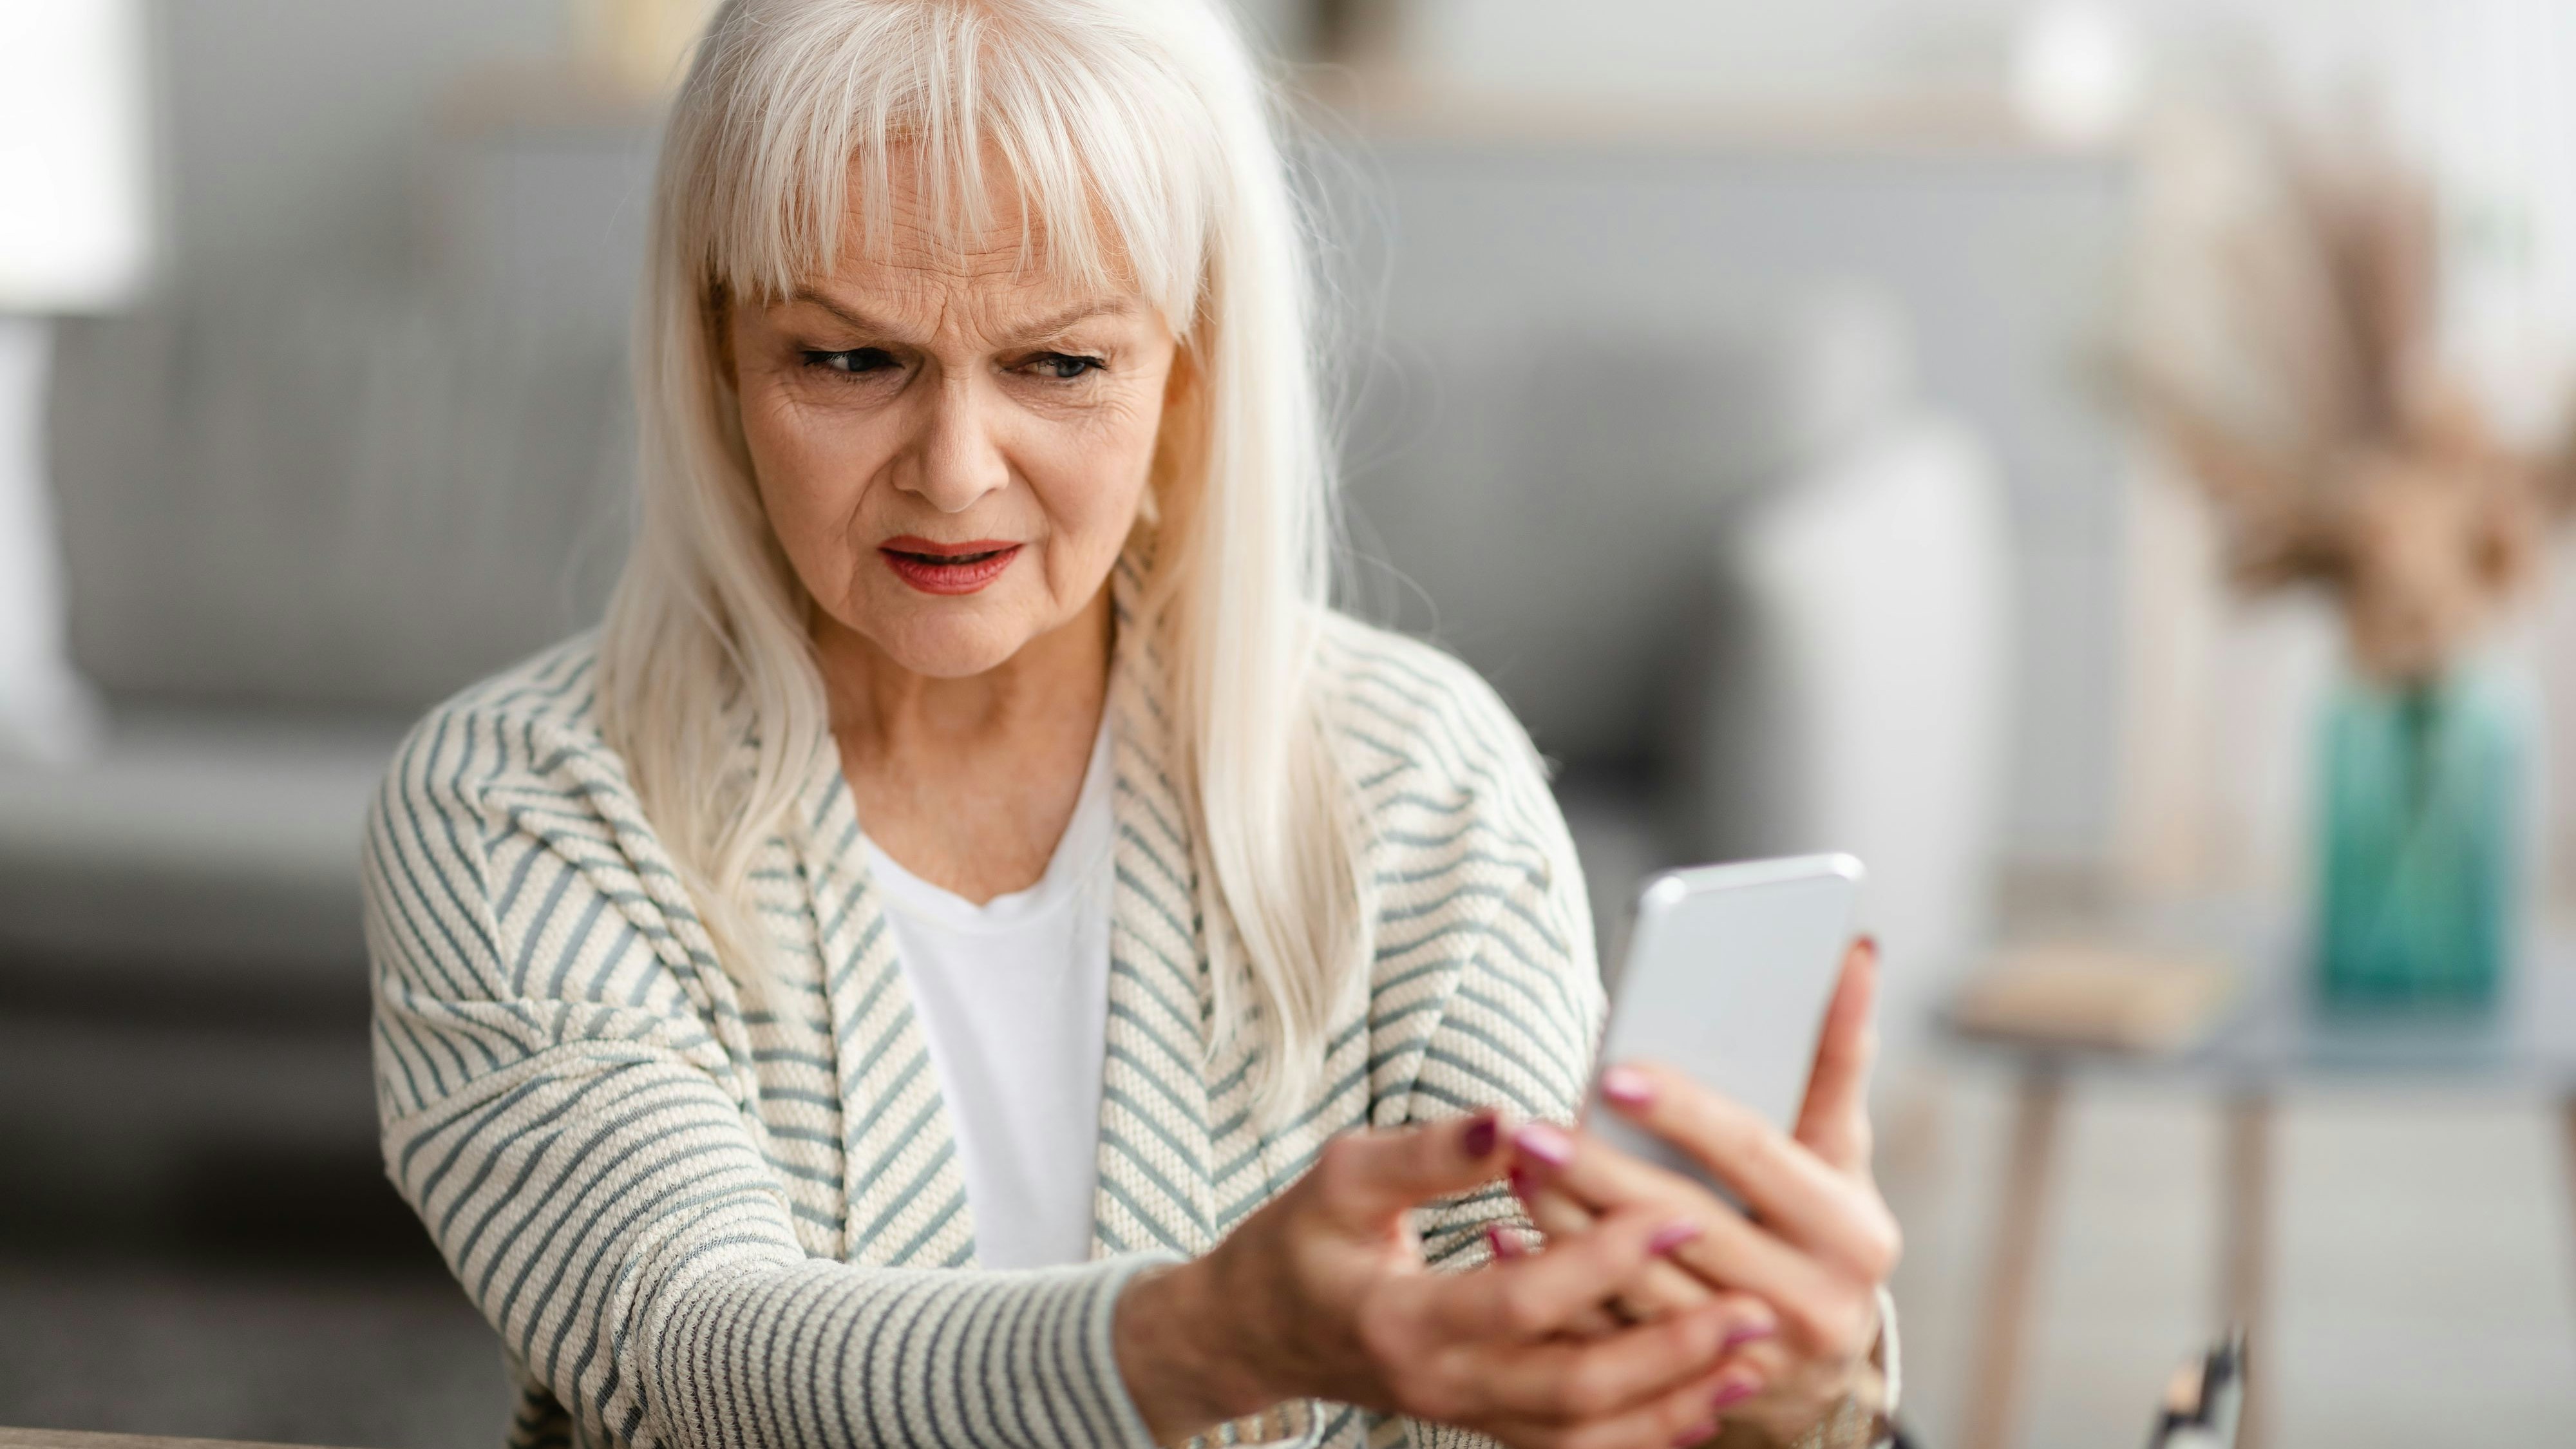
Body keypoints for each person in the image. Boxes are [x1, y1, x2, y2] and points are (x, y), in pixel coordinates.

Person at [360, 2, 1899, 1446]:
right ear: (715, 357)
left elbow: (1497, 1384)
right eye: (847, 358)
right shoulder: (516, 809)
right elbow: (689, 1349)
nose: (953, 468)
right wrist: (1203, 1338)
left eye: (1059, 363)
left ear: (1186, 373)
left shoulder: (1413, 783)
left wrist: (1766, 1389)